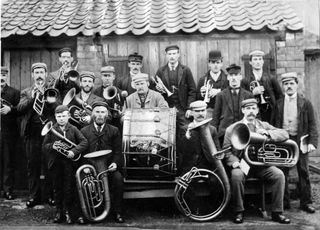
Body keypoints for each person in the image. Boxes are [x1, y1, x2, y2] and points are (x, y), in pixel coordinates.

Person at [223, 98, 290, 224]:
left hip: (261, 166)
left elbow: (285, 134)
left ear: (258, 110)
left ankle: (277, 213)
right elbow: (226, 151)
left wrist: (268, 133)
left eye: (254, 108)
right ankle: (239, 211)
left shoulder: (263, 125)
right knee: (236, 176)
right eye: (248, 108)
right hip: (242, 165)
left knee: (279, 175)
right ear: (243, 110)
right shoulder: (232, 128)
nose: (251, 111)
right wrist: (234, 162)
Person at [275, 72, 318, 213]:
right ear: (283, 86)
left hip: (300, 141)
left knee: (303, 171)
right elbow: (274, 124)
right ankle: (284, 203)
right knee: (283, 171)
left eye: (291, 83)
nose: (289, 86)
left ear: (297, 85)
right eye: (286, 84)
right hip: (284, 141)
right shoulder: (279, 103)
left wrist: (312, 142)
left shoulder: (305, 103)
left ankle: (306, 202)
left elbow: (312, 124)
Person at [17, 63, 59, 207]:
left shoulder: (51, 91)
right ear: (32, 75)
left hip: (48, 133)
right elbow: (20, 108)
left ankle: (49, 196)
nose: (39, 75)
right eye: (37, 72)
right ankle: (34, 196)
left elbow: (57, 109)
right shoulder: (26, 92)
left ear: (46, 74)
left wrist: (48, 100)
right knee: (33, 166)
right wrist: (33, 98)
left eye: (42, 72)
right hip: (32, 133)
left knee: (49, 165)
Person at [42, 105, 88, 224]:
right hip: (56, 163)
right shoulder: (51, 129)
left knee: (69, 188)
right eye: (58, 116)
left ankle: (68, 211)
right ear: (55, 117)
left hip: (69, 163)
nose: (61, 118)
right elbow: (44, 146)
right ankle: (58, 212)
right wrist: (53, 145)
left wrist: (73, 151)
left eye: (63, 116)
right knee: (57, 188)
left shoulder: (73, 129)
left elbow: (84, 142)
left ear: (68, 116)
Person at [81, 101, 125, 223]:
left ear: (107, 114)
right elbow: (82, 152)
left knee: (118, 180)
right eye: (97, 112)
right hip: (90, 167)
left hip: (108, 167)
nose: (100, 115)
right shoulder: (84, 131)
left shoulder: (114, 130)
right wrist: (85, 167)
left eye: (102, 112)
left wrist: (115, 163)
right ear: (92, 114)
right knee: (83, 182)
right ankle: (86, 213)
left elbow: (118, 151)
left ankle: (117, 212)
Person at [153, 45, 196, 131]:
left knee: (187, 131)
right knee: (166, 132)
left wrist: (189, 108)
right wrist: (158, 89)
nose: (172, 56)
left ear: (178, 54)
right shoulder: (161, 71)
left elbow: (192, 90)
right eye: (169, 54)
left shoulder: (186, 70)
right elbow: (154, 91)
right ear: (166, 55)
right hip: (166, 109)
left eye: (174, 53)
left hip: (182, 110)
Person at [212, 64, 253, 145]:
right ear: (228, 77)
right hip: (225, 135)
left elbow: (254, 115)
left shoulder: (248, 95)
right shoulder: (221, 95)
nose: (233, 78)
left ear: (240, 77)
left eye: (236, 75)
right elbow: (215, 118)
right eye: (231, 75)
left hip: (244, 134)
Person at [179, 101, 220, 175]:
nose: (200, 113)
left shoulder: (212, 129)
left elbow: (217, 150)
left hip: (209, 167)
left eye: (203, 110)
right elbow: (181, 151)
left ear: (206, 111)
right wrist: (187, 136)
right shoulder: (184, 129)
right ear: (191, 112)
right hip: (190, 168)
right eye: (197, 111)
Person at [241, 50, 282, 124]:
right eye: (255, 59)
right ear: (250, 62)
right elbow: (242, 99)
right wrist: (252, 93)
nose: (258, 62)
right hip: (254, 112)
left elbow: (280, 96)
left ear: (263, 61)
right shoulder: (245, 81)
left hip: (270, 111)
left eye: (260, 59)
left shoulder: (271, 78)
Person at [0, 66, 20, 200]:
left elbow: (20, 111)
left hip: (8, 133)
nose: (1, 78)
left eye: (3, 76)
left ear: (7, 77)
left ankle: (8, 190)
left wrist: (10, 109)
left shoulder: (14, 92)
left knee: (8, 162)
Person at [196, 50, 228, 117]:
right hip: (208, 111)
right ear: (209, 64)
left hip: (224, 111)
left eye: (218, 62)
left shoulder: (227, 79)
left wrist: (218, 91)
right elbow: (197, 99)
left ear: (221, 64)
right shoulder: (202, 80)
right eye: (213, 62)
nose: (215, 65)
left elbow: (230, 93)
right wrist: (202, 94)